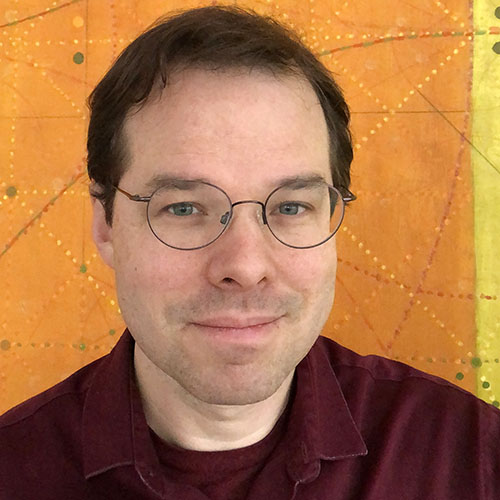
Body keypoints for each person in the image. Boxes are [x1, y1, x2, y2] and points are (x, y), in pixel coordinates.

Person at [0, 6, 499, 500]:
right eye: (184, 208)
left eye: (290, 206)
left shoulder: (474, 457)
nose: (244, 266)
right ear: (106, 224)